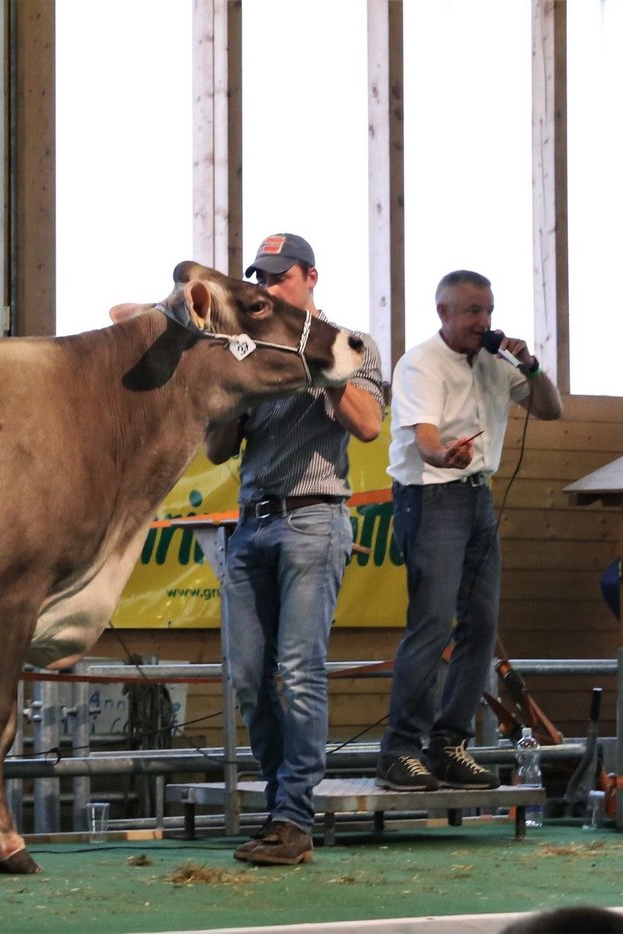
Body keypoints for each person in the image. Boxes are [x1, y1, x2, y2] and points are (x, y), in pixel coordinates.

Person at [208, 233, 385, 866]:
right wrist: (234, 386)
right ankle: (287, 809)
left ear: (311, 277)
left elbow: (367, 425)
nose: (267, 284)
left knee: (301, 673)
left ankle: (291, 818)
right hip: (251, 522)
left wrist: (321, 363)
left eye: (279, 276)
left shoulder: (350, 344)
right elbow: (215, 450)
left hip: (314, 520)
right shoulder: (252, 350)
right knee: (251, 679)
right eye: (260, 275)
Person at [376, 269, 563, 791]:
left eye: (488, 311)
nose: (484, 321)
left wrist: (530, 365)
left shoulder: (498, 363)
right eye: (472, 312)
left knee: (481, 624)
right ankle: (399, 750)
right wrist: (446, 454)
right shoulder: (420, 363)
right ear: (445, 313)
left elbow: (551, 409)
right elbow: (426, 439)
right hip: (431, 495)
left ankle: (448, 744)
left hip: (477, 497)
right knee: (433, 623)